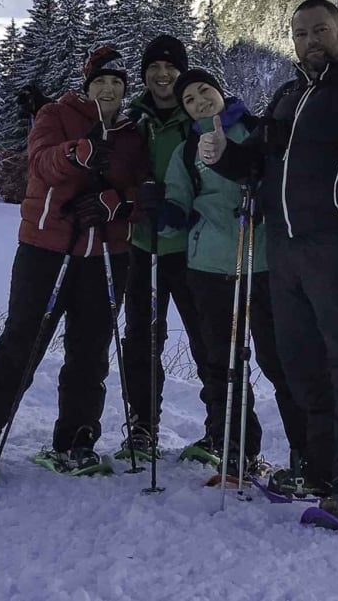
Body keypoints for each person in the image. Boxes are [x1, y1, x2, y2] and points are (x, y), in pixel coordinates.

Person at [201, 0, 338, 526]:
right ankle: (317, 467)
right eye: (300, 33)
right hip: (285, 249)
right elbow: (264, 165)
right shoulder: (290, 94)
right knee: (301, 363)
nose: (310, 40)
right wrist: (226, 158)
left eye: (320, 30)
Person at [0, 45, 155, 479]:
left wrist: (115, 202)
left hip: (107, 255)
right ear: (87, 83)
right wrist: (78, 152)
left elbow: (144, 190)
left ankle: (75, 442)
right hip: (47, 249)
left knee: (90, 353)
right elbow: (40, 164)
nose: (109, 89)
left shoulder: (134, 133)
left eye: (117, 83)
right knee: (22, 345)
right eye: (101, 81)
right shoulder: (55, 115)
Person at [159, 67, 306, 480]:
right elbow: (177, 202)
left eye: (205, 91)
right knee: (222, 365)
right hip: (209, 268)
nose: (200, 101)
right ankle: (237, 451)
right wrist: (162, 213)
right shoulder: (186, 151)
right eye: (189, 100)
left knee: (281, 363)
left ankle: (306, 456)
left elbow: (283, 183)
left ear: (221, 92)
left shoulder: (258, 131)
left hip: (262, 266)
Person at [118, 34, 212, 463]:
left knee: (207, 341)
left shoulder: (198, 119)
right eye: (154, 67)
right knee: (141, 341)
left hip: (193, 250)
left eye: (170, 68)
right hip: (144, 246)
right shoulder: (133, 120)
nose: (162, 75)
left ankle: (221, 431)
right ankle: (142, 427)